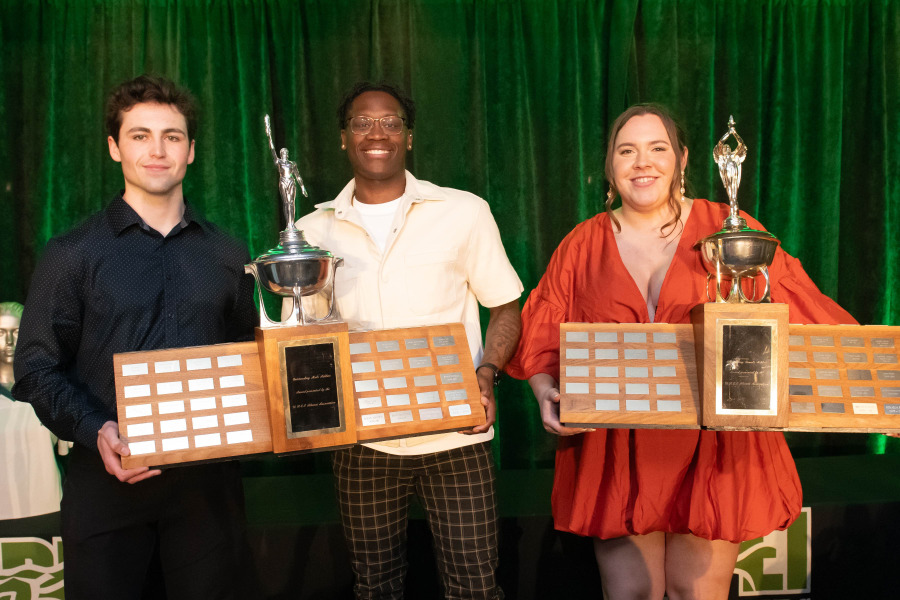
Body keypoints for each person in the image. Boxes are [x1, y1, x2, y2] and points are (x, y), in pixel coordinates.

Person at [506, 104, 856, 600]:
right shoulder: (581, 244)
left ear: (682, 159)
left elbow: (803, 308)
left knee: (697, 594)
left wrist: (872, 384)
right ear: (610, 164)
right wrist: (545, 393)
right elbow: (540, 335)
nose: (641, 163)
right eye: (627, 151)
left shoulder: (728, 229)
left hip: (714, 444)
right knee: (631, 594)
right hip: (617, 442)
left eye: (657, 148)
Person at [13, 75, 255, 599]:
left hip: (207, 489)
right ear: (114, 147)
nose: (157, 150)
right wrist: (96, 428)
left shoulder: (229, 254)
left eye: (172, 136)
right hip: (106, 481)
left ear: (191, 151)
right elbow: (35, 365)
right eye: (140, 135)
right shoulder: (72, 253)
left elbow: (246, 355)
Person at [293, 81, 522, 599]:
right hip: (363, 442)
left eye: (391, 122)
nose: (378, 133)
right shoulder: (311, 233)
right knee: (375, 587)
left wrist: (487, 373)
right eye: (362, 122)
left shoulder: (464, 212)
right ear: (343, 139)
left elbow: (505, 305)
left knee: (475, 587)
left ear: (409, 137)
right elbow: (297, 341)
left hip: (457, 438)